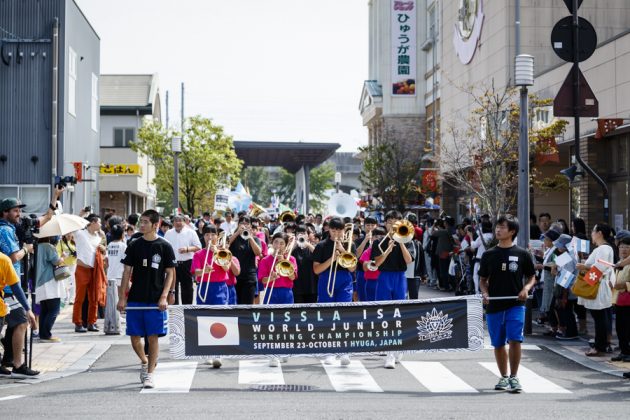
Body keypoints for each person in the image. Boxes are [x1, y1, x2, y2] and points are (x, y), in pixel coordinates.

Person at [117, 209, 176, 389]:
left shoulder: (164, 246)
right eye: (140, 221)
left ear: (155, 225)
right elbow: (126, 271)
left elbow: (170, 273)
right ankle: (144, 361)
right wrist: (122, 298)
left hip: (155, 299)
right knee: (134, 337)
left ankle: (150, 374)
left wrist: (165, 296)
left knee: (153, 338)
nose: (141, 225)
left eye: (145, 222)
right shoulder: (134, 244)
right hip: (136, 298)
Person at [479, 215, 536, 393]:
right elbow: (482, 280)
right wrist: (485, 293)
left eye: (503, 227)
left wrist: (526, 288)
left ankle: (514, 376)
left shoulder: (522, 254)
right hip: (494, 305)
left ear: (512, 231)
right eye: (497, 226)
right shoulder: (488, 254)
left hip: (516, 304)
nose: (498, 230)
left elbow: (532, 276)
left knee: (515, 339)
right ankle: (503, 377)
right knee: (497, 343)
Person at [371, 211, 412, 369]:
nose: (393, 224)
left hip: (399, 277)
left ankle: (397, 347)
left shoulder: (406, 239)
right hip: (384, 277)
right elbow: (377, 264)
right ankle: (389, 352)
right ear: (385, 223)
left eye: (396, 221)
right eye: (390, 221)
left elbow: (408, 261)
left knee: (399, 312)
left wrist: (400, 242)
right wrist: (387, 249)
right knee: (385, 313)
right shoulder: (378, 242)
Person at [313, 217, 356, 366]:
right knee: (327, 315)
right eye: (333, 230)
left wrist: (343, 251)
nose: (336, 233)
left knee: (344, 314)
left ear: (344, 230)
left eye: (339, 230)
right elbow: (317, 270)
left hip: (344, 280)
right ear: (328, 230)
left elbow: (352, 268)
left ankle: (344, 350)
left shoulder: (350, 245)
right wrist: (332, 258)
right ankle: (329, 350)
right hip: (326, 279)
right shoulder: (321, 246)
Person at [576, 223, 615, 357]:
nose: (591, 234)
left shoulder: (604, 248)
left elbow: (600, 268)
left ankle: (600, 346)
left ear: (599, 233)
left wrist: (584, 267)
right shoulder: (603, 248)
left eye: (593, 231)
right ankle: (601, 344)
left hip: (598, 286)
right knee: (600, 317)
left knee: (599, 317)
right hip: (598, 284)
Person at [0, 253, 39, 377]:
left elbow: (16, 287)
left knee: (21, 321)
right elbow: (15, 287)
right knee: (22, 321)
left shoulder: (4, 260)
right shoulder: (3, 259)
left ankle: (15, 364)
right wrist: (28, 310)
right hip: (5, 299)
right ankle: (17, 365)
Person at [73, 214, 107, 333]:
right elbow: (74, 225)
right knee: (79, 298)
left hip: (95, 270)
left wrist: (103, 249)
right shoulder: (80, 234)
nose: (101, 224)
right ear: (92, 222)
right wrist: (82, 215)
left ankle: (91, 322)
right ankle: (78, 323)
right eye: (99, 222)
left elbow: (102, 255)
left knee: (94, 297)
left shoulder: (99, 236)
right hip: (82, 269)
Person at [164, 215, 201, 304]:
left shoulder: (191, 232)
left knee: (187, 287)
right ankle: (174, 309)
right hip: (173, 264)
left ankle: (187, 309)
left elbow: (199, 247)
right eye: (176, 221)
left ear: (184, 222)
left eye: (180, 220)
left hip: (187, 263)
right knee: (173, 288)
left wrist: (187, 249)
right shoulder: (168, 233)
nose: (178, 223)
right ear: (173, 223)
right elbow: (164, 248)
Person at [34, 236, 66, 342]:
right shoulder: (48, 247)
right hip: (49, 280)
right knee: (54, 309)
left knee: (45, 310)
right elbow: (56, 262)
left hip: (39, 281)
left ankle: (43, 335)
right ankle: (46, 335)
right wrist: (63, 257)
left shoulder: (36, 247)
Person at [191, 226, 230, 305]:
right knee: (203, 315)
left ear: (217, 236)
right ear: (203, 236)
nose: (210, 237)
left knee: (219, 313)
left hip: (220, 287)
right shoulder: (198, 254)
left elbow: (226, 268)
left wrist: (216, 252)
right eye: (207, 234)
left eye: (213, 234)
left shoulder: (224, 252)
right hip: (203, 286)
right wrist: (204, 271)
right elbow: (196, 272)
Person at [228, 216, 262, 304]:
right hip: (235, 276)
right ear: (238, 225)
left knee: (247, 306)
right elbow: (226, 245)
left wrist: (250, 237)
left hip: (249, 277)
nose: (244, 225)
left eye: (247, 223)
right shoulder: (233, 237)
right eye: (242, 223)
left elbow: (258, 253)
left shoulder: (255, 239)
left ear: (250, 226)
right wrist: (236, 233)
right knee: (235, 305)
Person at [104, 225, 126, 335]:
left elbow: (106, 260)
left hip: (110, 273)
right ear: (122, 235)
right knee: (120, 295)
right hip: (120, 274)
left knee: (113, 297)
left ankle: (117, 315)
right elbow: (126, 260)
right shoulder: (123, 246)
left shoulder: (110, 245)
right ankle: (118, 316)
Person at [612, 237, 630, 362]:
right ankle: (624, 351)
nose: (623, 249)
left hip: (628, 300)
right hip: (619, 300)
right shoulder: (619, 263)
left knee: (628, 328)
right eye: (621, 246)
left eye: (627, 247)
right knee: (620, 327)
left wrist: (624, 285)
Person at [292, 225, 317, 304]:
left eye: (303, 233)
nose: (301, 235)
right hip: (297, 286)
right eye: (298, 233)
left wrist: (308, 244)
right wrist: (295, 244)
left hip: (311, 285)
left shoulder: (313, 247)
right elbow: (286, 255)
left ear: (308, 235)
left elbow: (318, 255)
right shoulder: (293, 247)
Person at [57, 232, 77, 305]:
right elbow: (58, 254)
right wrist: (62, 255)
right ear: (64, 235)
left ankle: (72, 298)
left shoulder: (74, 242)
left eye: (70, 233)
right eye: (67, 234)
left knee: (72, 281)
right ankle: (65, 298)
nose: (69, 235)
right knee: (65, 283)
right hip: (64, 265)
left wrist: (75, 253)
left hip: (73, 265)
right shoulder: (60, 243)